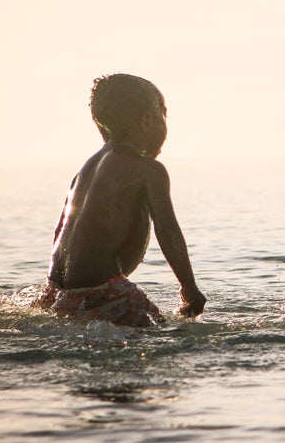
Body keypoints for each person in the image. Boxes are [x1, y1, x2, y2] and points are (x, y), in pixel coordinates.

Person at [35, 74, 206, 326]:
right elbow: (167, 230)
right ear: (146, 121)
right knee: (165, 332)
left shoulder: (84, 171)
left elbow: (61, 230)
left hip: (56, 294)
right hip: (105, 293)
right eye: (163, 115)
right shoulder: (148, 170)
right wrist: (189, 289)